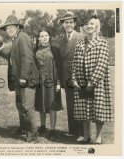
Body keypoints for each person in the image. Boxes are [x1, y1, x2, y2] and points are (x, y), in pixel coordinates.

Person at [71, 12, 113, 144]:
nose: (89, 26)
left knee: (98, 110)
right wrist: (74, 79)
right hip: (82, 81)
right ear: (83, 27)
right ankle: (86, 136)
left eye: (92, 24)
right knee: (84, 110)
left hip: (97, 82)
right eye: (86, 24)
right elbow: (74, 64)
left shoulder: (102, 42)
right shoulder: (79, 44)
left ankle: (98, 136)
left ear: (96, 26)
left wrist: (92, 81)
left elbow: (102, 63)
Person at [0, 15, 39, 142]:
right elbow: (13, 57)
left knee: (27, 106)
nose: (9, 30)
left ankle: (33, 134)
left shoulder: (23, 38)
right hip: (19, 80)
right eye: (7, 28)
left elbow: (28, 59)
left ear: (17, 27)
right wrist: (0, 49)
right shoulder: (16, 39)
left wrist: (23, 77)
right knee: (20, 105)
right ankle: (24, 129)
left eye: (11, 27)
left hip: (25, 80)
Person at [34, 28, 62, 139]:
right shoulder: (35, 49)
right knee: (41, 103)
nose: (44, 37)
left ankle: (53, 130)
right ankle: (42, 126)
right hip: (40, 81)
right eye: (42, 36)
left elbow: (59, 67)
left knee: (52, 104)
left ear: (49, 37)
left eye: (46, 35)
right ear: (38, 38)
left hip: (53, 81)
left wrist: (59, 82)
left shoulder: (54, 49)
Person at [59, 11, 83, 140]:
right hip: (66, 78)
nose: (68, 25)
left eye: (70, 22)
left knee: (79, 104)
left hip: (78, 77)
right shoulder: (62, 40)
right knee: (70, 104)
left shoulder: (80, 37)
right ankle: (72, 130)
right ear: (63, 24)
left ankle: (81, 132)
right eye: (66, 22)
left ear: (74, 23)